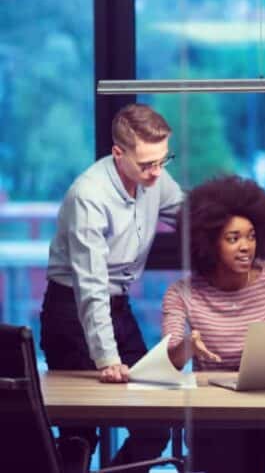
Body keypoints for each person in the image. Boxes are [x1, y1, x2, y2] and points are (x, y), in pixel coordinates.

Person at [40, 103, 183, 467]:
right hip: (71, 312)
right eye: (146, 164)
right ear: (118, 153)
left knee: (155, 424)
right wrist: (107, 358)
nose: (156, 173)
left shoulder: (155, 177)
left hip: (119, 307)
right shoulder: (89, 195)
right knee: (80, 431)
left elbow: (188, 213)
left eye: (162, 161)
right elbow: (90, 284)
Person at [161, 175, 265, 473]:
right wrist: (187, 347)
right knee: (225, 446)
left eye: (251, 236)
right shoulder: (182, 292)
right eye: (233, 238)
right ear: (208, 242)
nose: (246, 247)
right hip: (214, 417)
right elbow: (169, 362)